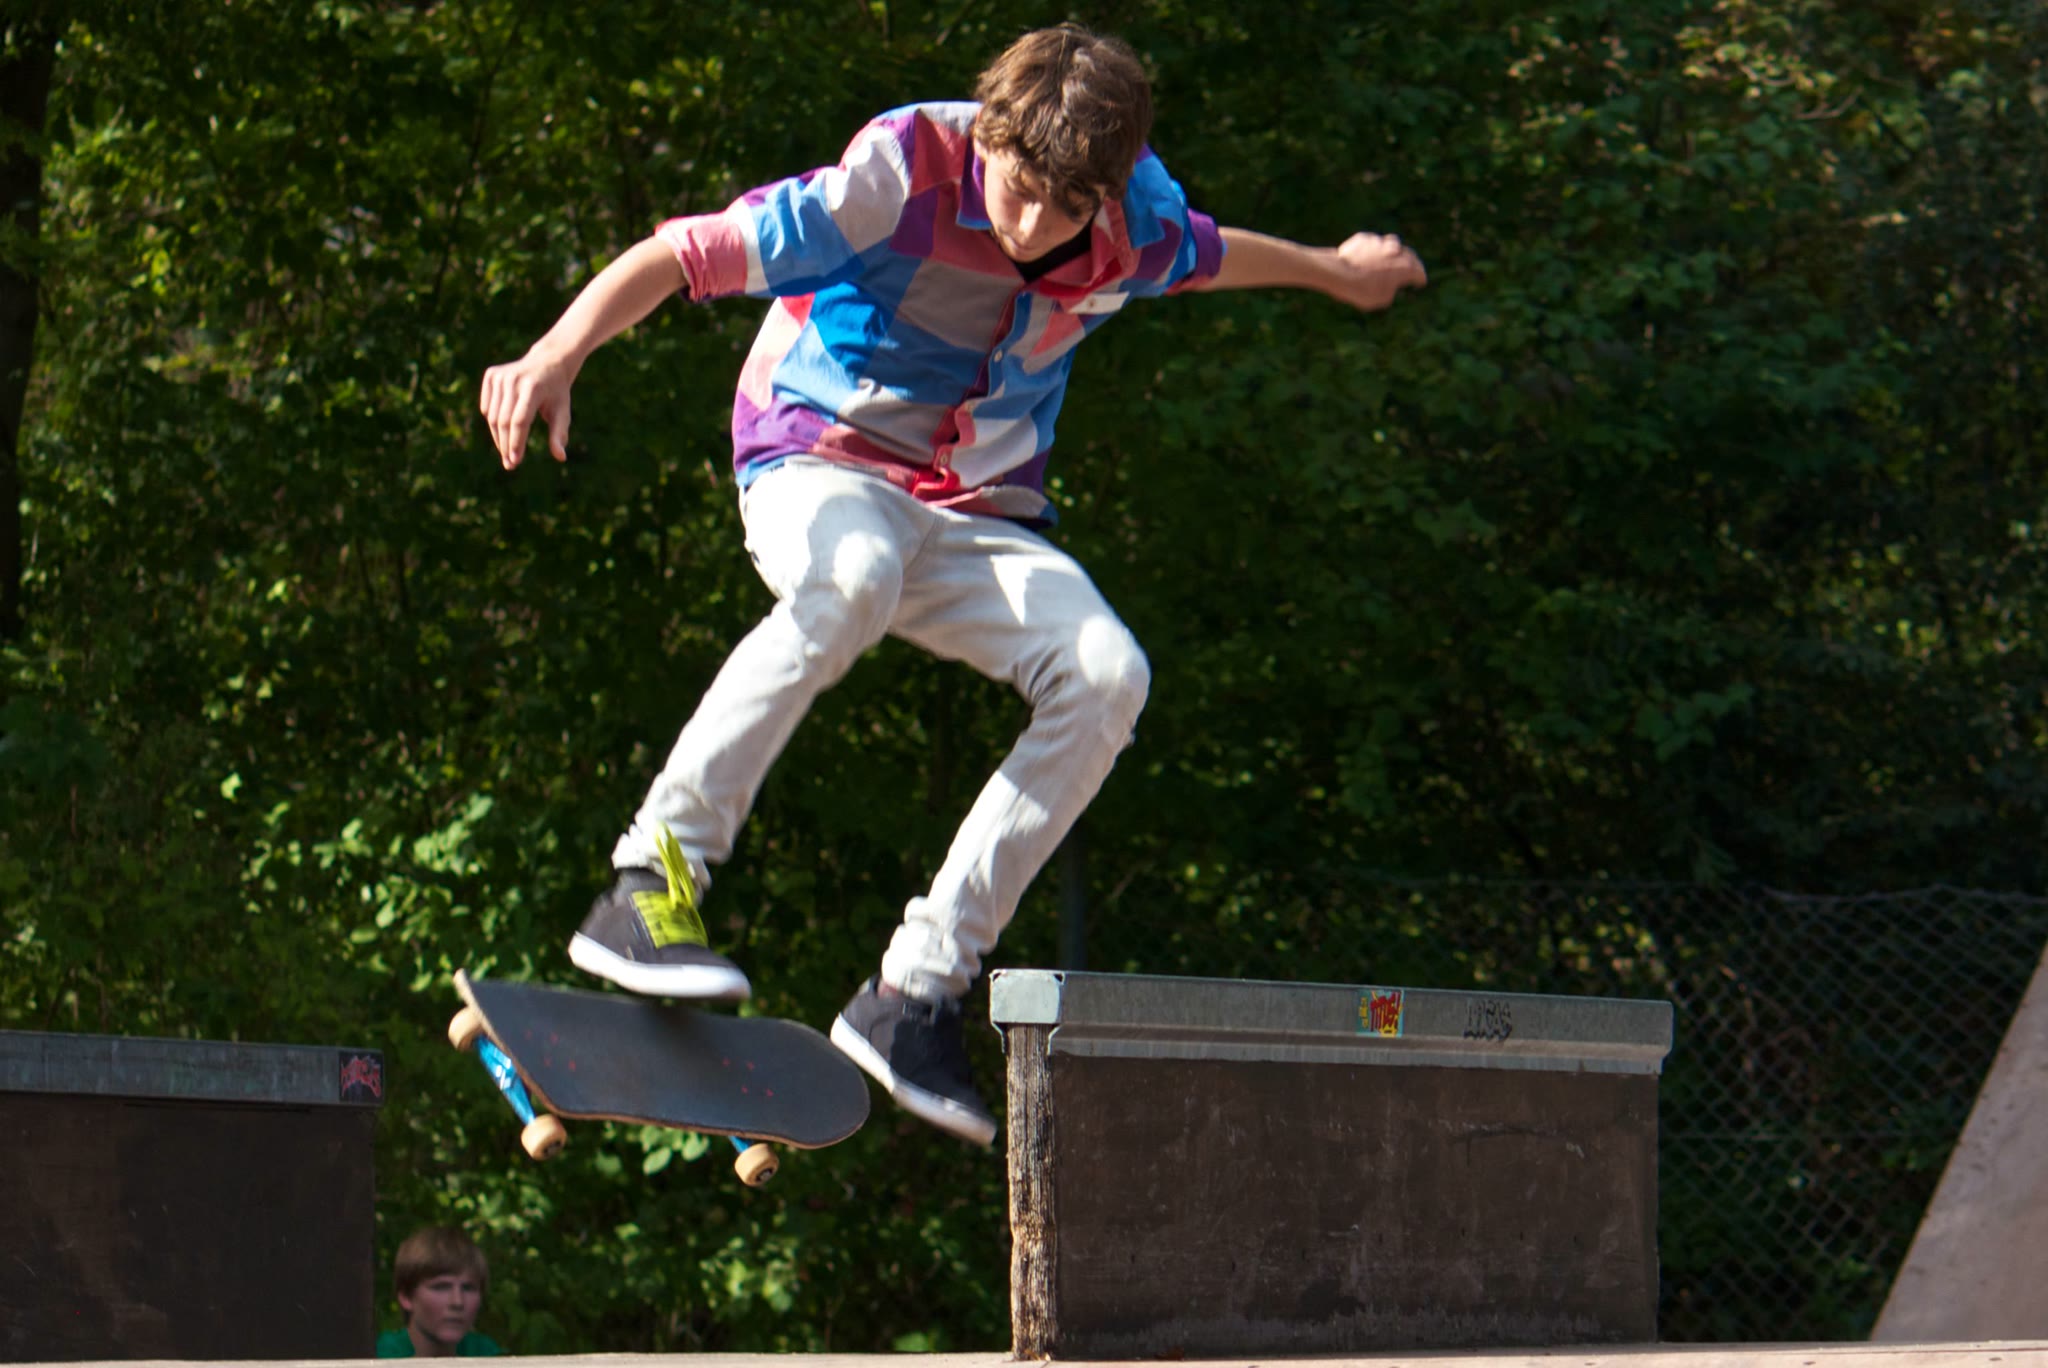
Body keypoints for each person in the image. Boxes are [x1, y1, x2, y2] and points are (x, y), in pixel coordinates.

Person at [479, 24, 1426, 1147]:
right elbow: (681, 255)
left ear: (1104, 195)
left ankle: (913, 992)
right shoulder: (896, 175)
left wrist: (1337, 273)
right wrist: (555, 353)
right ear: (990, 138)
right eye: (1016, 190)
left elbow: (1218, 255)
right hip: (816, 465)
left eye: (1062, 211)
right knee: (853, 579)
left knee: (1108, 675)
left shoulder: (1136, 226)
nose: (1028, 228)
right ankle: (649, 881)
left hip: (974, 514)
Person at [375, 1227, 503, 1358]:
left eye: (468, 1288)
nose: (457, 1302)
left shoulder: (486, 1353)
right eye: (441, 1287)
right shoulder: (376, 1357)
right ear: (406, 1297)